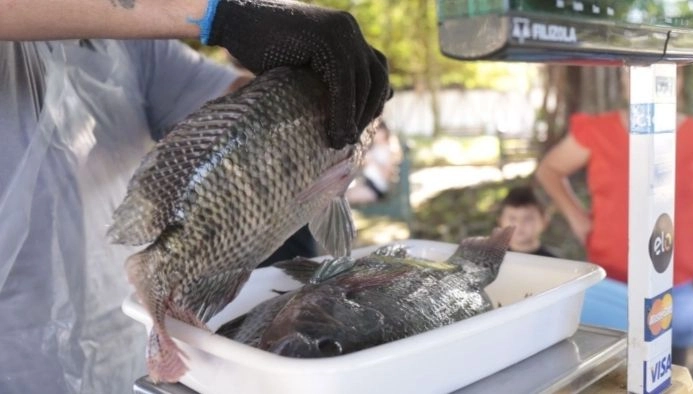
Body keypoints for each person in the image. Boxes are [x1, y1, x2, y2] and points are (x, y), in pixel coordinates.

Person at [0, 1, 391, 393]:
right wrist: (224, 15)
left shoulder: (127, 45)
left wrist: (332, 86)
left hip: (123, 332)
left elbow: (229, 106)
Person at [534, 68, 693, 365]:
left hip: (679, 283)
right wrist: (577, 217)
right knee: (609, 369)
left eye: (662, 74)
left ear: (678, 81)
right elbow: (549, 170)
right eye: (635, 74)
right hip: (610, 279)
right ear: (624, 80)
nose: (647, 83)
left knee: (672, 372)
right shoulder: (598, 131)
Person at [346, 119, 403, 204]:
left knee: (346, 197)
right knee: (341, 194)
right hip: (366, 183)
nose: (374, 134)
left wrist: (373, 161)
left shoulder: (390, 151)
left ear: (384, 132)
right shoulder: (375, 147)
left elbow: (386, 175)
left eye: (376, 131)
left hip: (376, 189)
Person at [496, 186, 557, 257]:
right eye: (512, 218)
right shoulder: (489, 260)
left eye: (528, 218)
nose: (519, 224)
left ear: (544, 221)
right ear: (500, 221)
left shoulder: (555, 262)